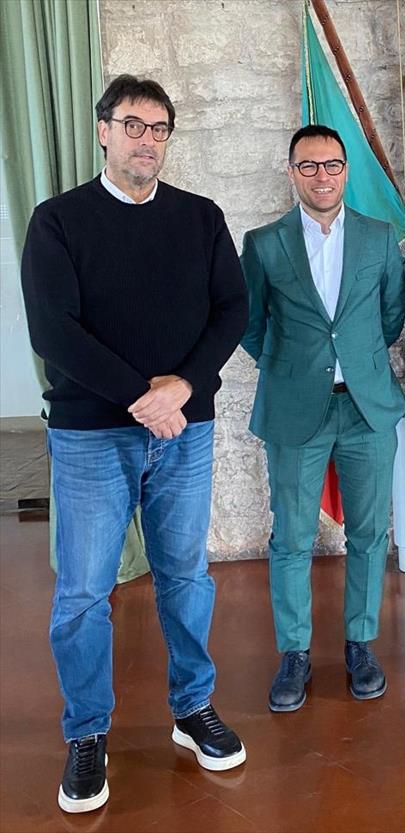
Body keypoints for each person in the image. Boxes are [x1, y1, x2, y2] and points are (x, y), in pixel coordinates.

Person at [20, 74, 249, 814]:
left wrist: (183, 386)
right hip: (91, 435)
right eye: (132, 124)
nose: (146, 139)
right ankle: (87, 732)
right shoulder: (57, 221)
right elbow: (54, 331)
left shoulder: (200, 217)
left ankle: (193, 706)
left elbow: (232, 309)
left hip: (186, 429)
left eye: (159, 128)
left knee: (186, 575)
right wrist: (141, 398)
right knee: (85, 592)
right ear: (103, 131)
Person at [240, 125, 405, 710]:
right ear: (292, 172)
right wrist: (293, 369)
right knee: (291, 537)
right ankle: (295, 653)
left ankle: (361, 644)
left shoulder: (379, 238)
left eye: (331, 164)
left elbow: (390, 317)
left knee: (369, 533)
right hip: (294, 410)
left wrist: (353, 363)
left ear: (346, 170)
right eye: (308, 166)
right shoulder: (264, 244)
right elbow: (251, 325)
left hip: (366, 407)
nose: (322, 175)